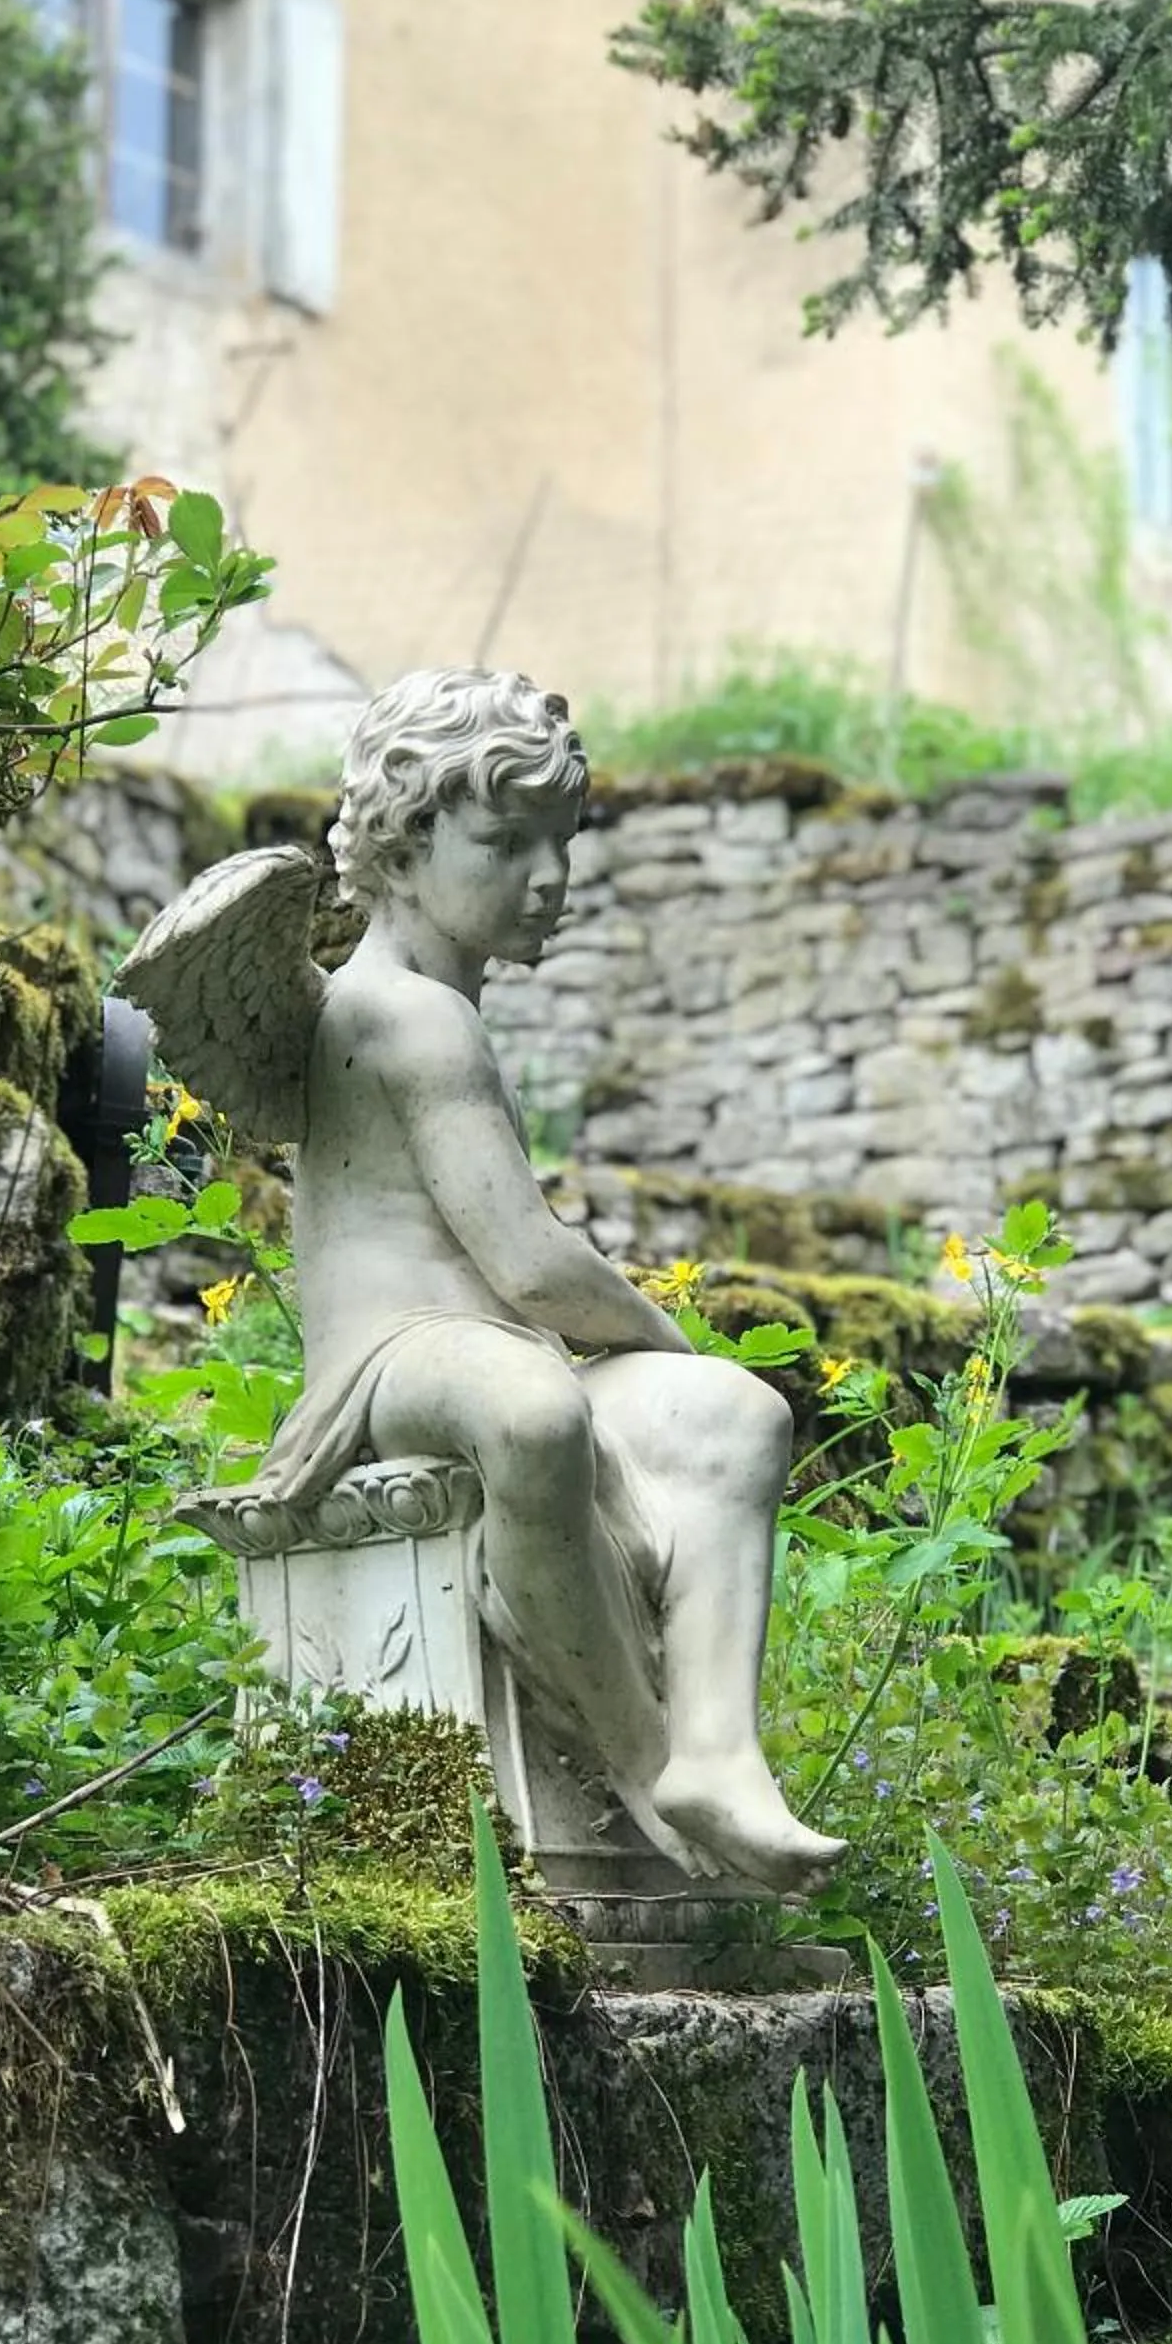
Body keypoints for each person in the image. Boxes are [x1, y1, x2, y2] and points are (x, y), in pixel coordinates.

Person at [252, 665, 844, 1894]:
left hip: (485, 1349)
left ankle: (721, 1757)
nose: (550, 876)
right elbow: (528, 1263)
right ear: (404, 845)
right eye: (507, 843)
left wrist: (684, 1372)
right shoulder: (407, 1015)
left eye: (561, 842)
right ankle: (646, 1752)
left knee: (737, 1413)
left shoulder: (436, 1006)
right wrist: (659, 1336)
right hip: (392, 1360)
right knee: (537, 1409)